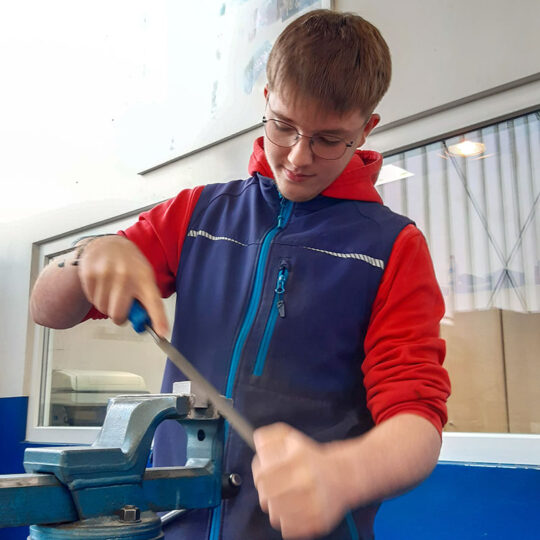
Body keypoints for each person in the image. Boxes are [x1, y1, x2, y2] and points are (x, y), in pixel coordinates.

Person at [31, 9, 451, 540]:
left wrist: (342, 474)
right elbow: (46, 308)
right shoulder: (198, 215)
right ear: (266, 99)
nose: (299, 156)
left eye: (328, 139)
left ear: (366, 129)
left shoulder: (393, 248)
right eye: (283, 126)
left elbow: (417, 423)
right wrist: (87, 255)